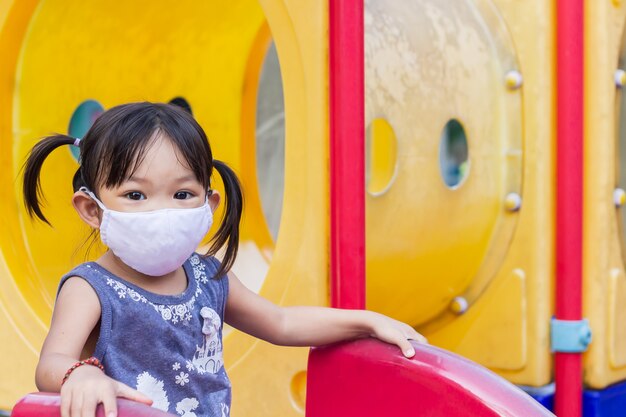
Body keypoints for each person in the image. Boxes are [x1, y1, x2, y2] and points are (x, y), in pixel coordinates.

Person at [23, 102, 426, 417]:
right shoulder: (91, 287)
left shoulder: (208, 275)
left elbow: (281, 322)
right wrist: (82, 374)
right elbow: (51, 365)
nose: (161, 212)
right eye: (135, 195)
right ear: (92, 209)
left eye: (182, 194)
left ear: (209, 203)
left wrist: (366, 321)